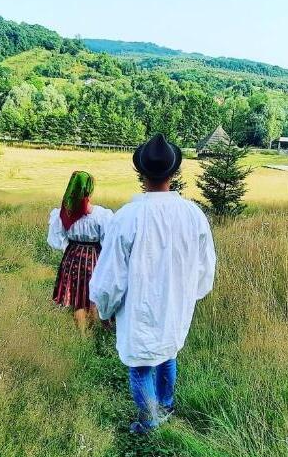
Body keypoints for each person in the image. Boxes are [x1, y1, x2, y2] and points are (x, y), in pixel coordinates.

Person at [90, 134, 216, 434]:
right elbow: (205, 265)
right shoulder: (193, 214)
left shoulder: (127, 217)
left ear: (141, 174)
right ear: (173, 174)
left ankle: (149, 423)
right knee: (167, 352)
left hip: (140, 306)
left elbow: (111, 277)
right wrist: (188, 295)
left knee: (142, 364)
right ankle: (166, 405)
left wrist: (105, 309)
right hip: (175, 303)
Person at [48, 171, 113, 335]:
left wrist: (69, 248)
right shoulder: (100, 215)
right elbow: (108, 241)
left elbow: (56, 240)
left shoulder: (63, 214)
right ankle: (94, 335)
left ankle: (82, 337)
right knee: (93, 296)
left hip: (72, 257)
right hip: (94, 258)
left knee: (78, 299)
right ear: (89, 190)